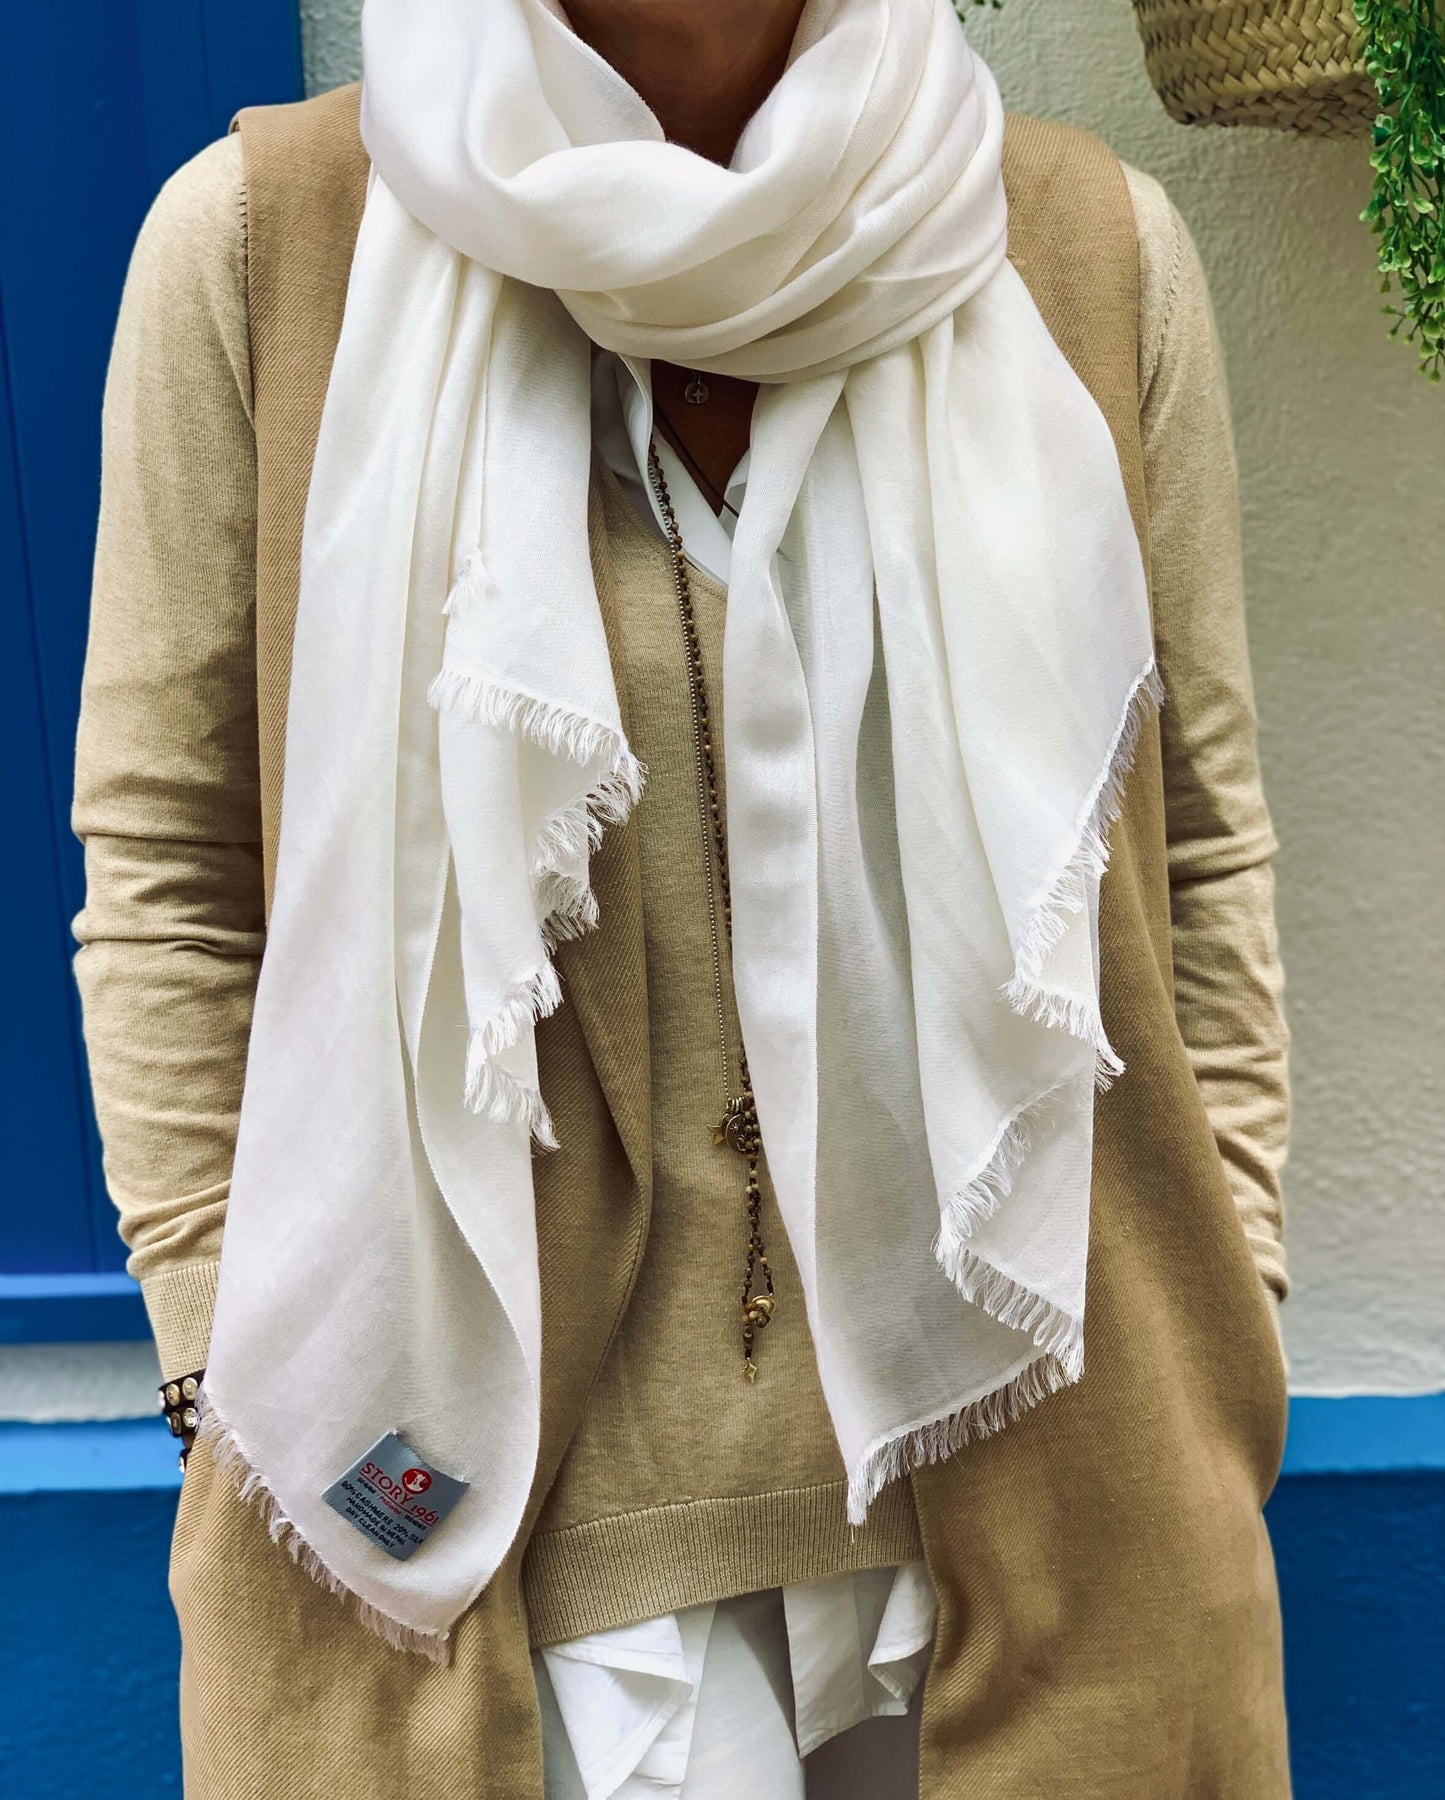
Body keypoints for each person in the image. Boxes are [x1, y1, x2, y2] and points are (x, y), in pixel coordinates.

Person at [71, 1, 1293, 1795]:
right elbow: (170, 864)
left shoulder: (1079, 251)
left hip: (1058, 1490)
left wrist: (1228, 1296)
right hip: (504, 1547)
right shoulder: (268, 249)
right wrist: (210, 1365)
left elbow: (1196, 845)